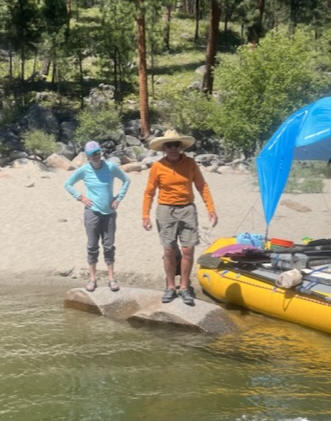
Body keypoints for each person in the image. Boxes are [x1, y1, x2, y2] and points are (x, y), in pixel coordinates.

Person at [142, 129, 218, 306]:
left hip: (187, 210)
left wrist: (211, 209)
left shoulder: (190, 164)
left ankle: (184, 287)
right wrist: (145, 215)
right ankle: (170, 287)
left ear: (181, 146)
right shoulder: (157, 167)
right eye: (169, 145)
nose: (173, 148)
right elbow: (149, 192)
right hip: (165, 211)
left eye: (176, 145)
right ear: (164, 148)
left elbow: (202, 187)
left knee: (188, 250)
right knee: (169, 250)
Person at [64, 141, 130, 292]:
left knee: (109, 246)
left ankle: (111, 278)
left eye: (97, 153)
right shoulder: (84, 170)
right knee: (92, 246)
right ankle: (92, 279)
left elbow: (126, 180)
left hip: (109, 214)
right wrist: (81, 197)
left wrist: (118, 198)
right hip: (91, 212)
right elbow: (68, 184)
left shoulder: (111, 167)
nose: (95, 156)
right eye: (92, 154)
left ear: (101, 153)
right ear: (87, 156)